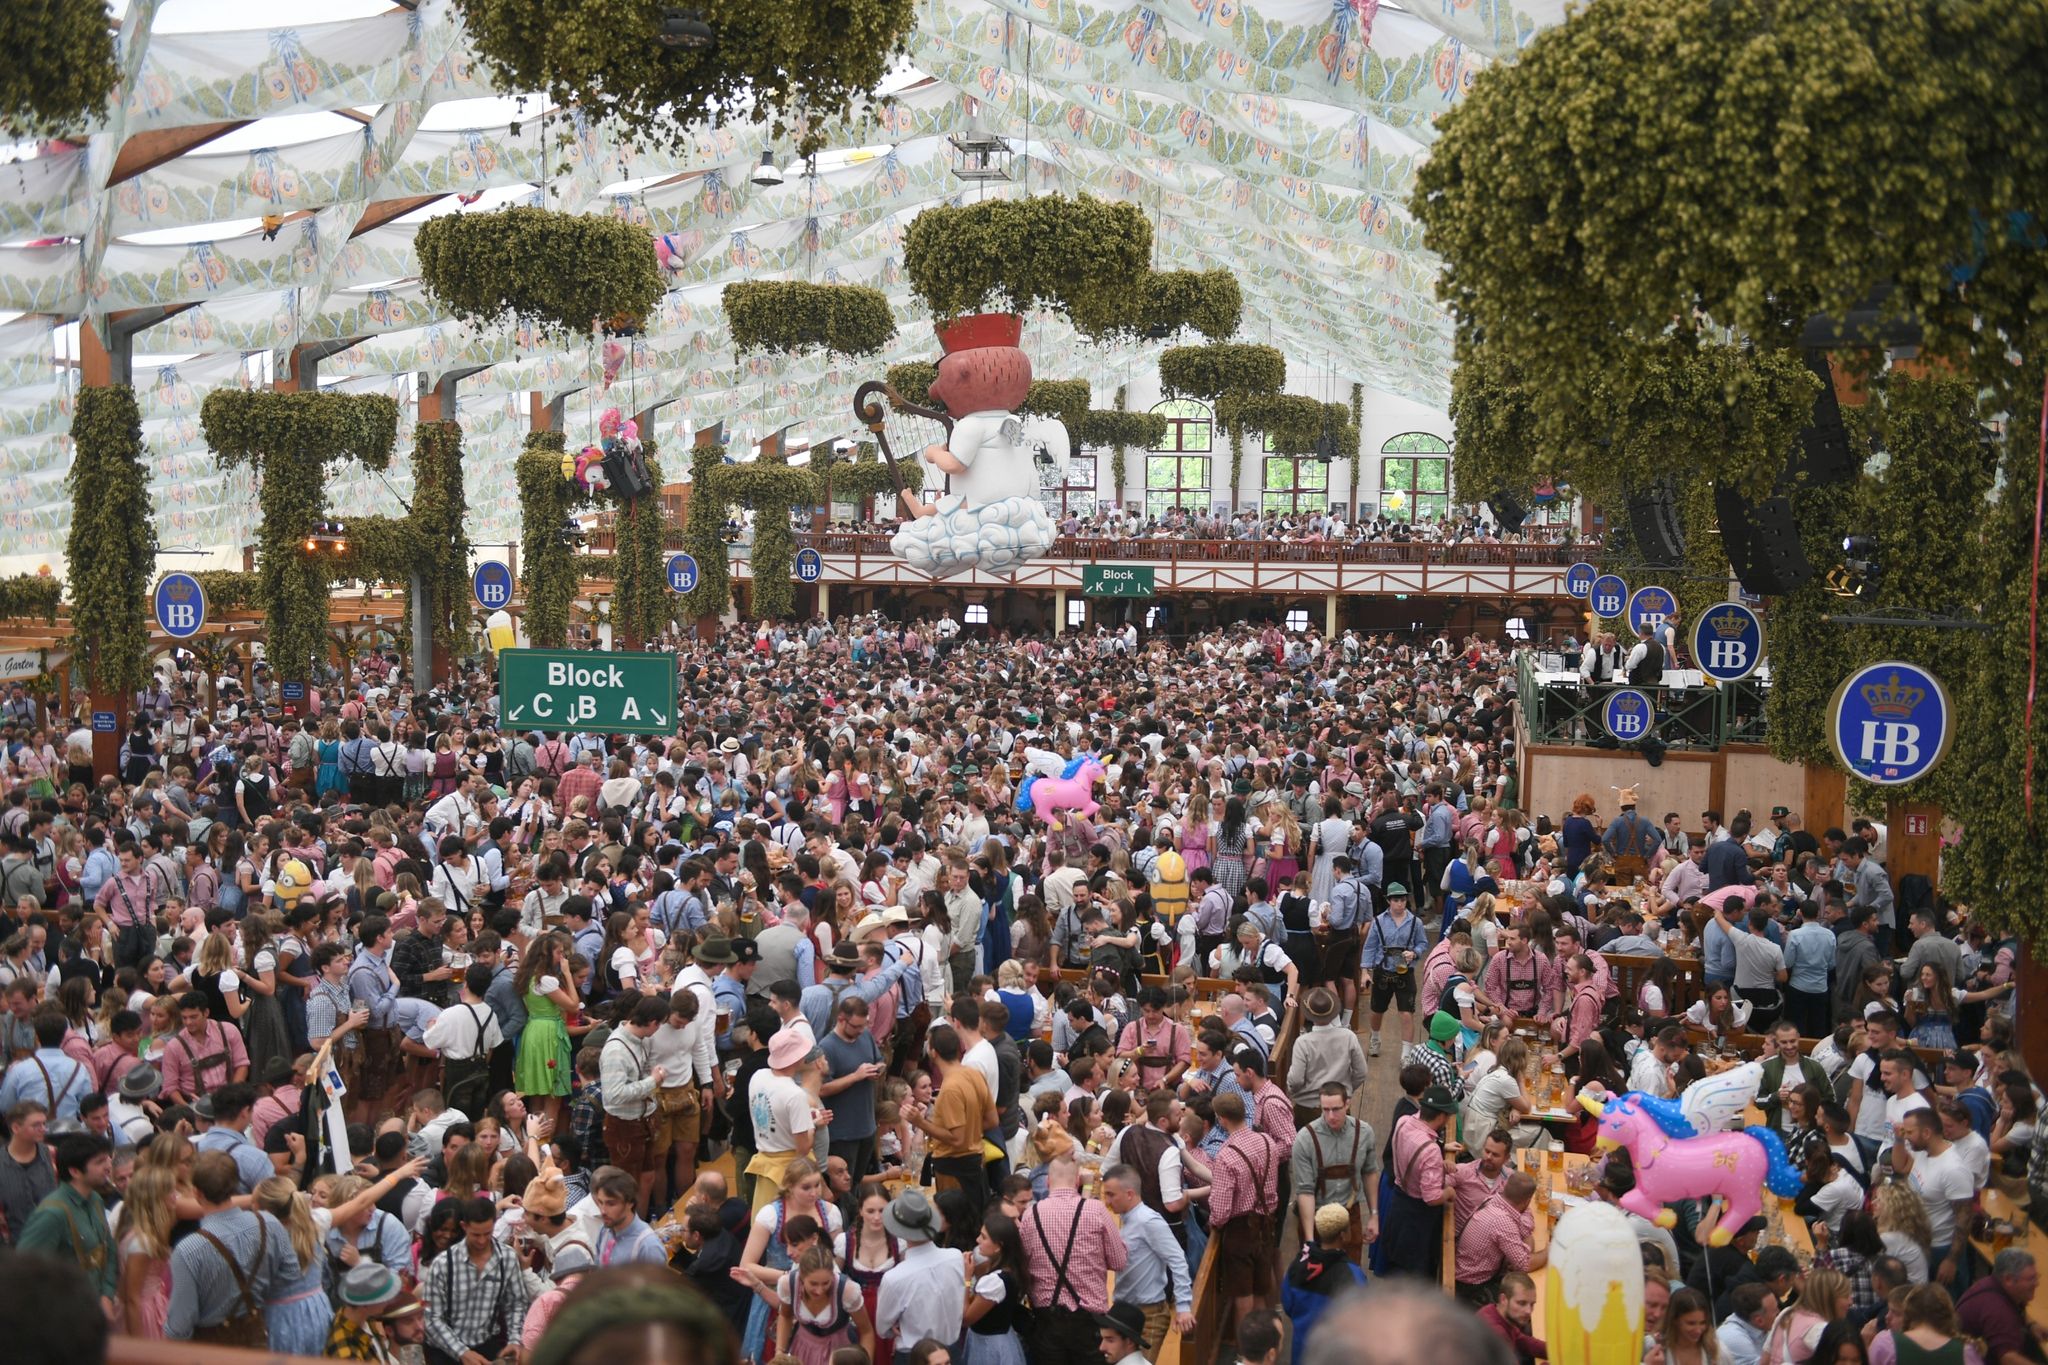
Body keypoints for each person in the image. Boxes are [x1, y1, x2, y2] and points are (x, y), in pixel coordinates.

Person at [164, 1149, 301, 1344]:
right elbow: (291, 1278)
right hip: (259, 1337)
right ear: (236, 1186)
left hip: (210, 1349)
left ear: (197, 1193)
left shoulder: (188, 1250)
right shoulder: (269, 1223)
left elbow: (179, 1327)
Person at [1021, 1152, 1127, 1365]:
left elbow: (1023, 1265)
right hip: (1089, 1321)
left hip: (1046, 1320)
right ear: (1078, 1181)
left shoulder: (1030, 1216)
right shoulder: (1096, 1210)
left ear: (1048, 1181)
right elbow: (1119, 1261)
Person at [14, 1132, 118, 1318]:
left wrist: (106, 1295)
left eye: (107, 1159)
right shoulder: (52, 1214)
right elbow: (25, 1274)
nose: (108, 1166)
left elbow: (108, 1250)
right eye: (99, 1162)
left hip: (94, 1309)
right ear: (75, 1171)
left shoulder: (95, 1199)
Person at [419, 1194, 530, 1364]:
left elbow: (516, 1303)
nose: (482, 1240)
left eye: (487, 1233)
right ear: (464, 1227)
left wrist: (514, 1340)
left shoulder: (507, 1258)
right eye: (475, 1235)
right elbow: (432, 1319)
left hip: (485, 1343)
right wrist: (462, 1352)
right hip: (445, 1349)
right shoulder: (443, 1264)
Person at [1100, 1163, 1194, 1353]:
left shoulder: (1148, 1221)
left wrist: (1183, 1306)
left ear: (1129, 1194)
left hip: (1149, 1315)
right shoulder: (1125, 1219)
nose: (1107, 1201)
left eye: (1111, 1195)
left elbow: (1177, 1259)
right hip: (1124, 1311)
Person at [1290, 1082, 1379, 1263]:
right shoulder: (1305, 1139)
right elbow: (1305, 1191)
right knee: (1318, 1284)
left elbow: (1370, 1172)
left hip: (1350, 1216)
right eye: (1326, 1109)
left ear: (1348, 1104)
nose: (1331, 1116)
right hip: (1316, 1218)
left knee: (1350, 1283)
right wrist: (1309, 1241)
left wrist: (1374, 1215)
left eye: (1336, 1109)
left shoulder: (1364, 1133)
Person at [874, 1191, 965, 1357]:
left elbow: (883, 1329)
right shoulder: (955, 1257)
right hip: (950, 1351)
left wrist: (896, 1327)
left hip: (915, 1355)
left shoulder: (895, 1278)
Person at [1283, 1203, 1370, 1362]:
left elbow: (1287, 1304)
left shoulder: (1297, 1266)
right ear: (1343, 1235)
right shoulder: (1353, 1276)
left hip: (1302, 1353)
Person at [1453, 1169, 1545, 1304]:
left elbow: (1524, 1228)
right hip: (1471, 1287)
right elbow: (1525, 1264)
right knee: (1527, 1298)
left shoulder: (1492, 1200)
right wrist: (1550, 1250)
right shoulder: (1503, 1221)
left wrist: (1523, 1251)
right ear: (1527, 1201)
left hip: (1462, 1272)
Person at [1955, 1248, 2042, 1365]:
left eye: (2036, 1277)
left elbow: (2018, 1305)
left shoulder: (1994, 1284)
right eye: (2031, 1279)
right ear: (2008, 1279)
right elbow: (2008, 1359)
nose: (2037, 1283)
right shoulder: (1997, 1311)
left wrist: (2031, 1325)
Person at [1476, 1270, 1545, 1365]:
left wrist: (1559, 1350)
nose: (1529, 1311)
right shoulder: (1497, 1333)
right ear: (1503, 1299)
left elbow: (1523, 1342)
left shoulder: (1494, 1311)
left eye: (1532, 1304)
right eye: (1522, 1303)